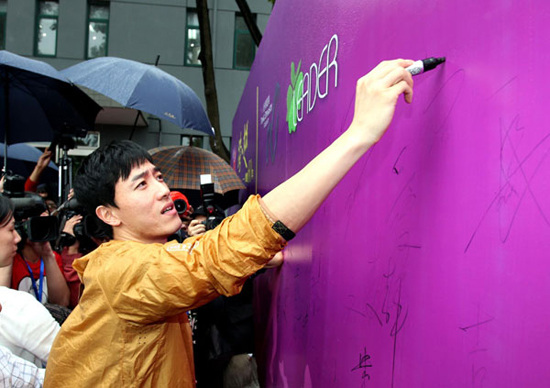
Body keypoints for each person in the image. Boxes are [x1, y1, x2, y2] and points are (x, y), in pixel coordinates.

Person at [44, 59, 415, 387]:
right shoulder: (122, 269)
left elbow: (189, 258)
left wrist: (260, 258)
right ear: (108, 215)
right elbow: (212, 257)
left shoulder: (140, 259)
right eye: (141, 183)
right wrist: (358, 135)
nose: (161, 190)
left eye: (158, 177)